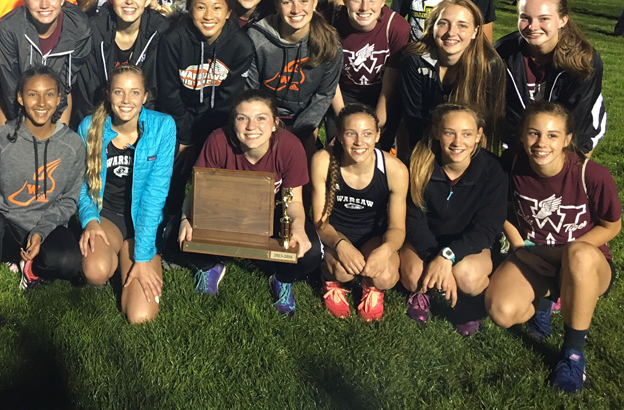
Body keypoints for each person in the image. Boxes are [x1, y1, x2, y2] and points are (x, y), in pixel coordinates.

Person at [485, 102, 621, 393]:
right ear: (521, 135)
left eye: (552, 135)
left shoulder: (592, 174)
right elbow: (504, 212)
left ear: (568, 140)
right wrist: (521, 248)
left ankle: (573, 355)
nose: (541, 143)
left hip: (587, 265)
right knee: (501, 310)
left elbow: (612, 226)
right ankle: (546, 298)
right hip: (533, 253)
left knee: (578, 255)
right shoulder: (510, 165)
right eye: (533, 133)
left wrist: (565, 254)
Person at [0, 66, 85, 341]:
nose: (41, 103)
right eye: (33, 95)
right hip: (5, 227)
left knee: (69, 262)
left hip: (45, 227)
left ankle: (32, 268)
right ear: (19, 98)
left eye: (49, 94)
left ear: (60, 98)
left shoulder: (73, 144)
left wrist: (41, 230)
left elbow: (67, 199)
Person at [177, 90, 321, 315]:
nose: (251, 126)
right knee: (172, 235)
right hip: (225, 214)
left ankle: (282, 279)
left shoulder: (290, 147)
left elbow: (293, 201)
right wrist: (186, 218)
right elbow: (198, 191)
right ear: (233, 122)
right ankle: (210, 267)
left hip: (272, 217)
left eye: (261, 118)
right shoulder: (217, 140)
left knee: (311, 252)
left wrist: (298, 227)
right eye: (242, 118)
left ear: (275, 124)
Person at [77, 65, 175, 324]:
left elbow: (155, 196)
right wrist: (90, 220)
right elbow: (80, 184)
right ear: (109, 94)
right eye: (119, 92)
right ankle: (113, 255)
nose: (126, 100)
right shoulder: (89, 126)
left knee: (139, 316)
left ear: (145, 96)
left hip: (143, 221)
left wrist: (142, 256)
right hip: (107, 216)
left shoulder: (163, 127)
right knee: (95, 272)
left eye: (134, 93)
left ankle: (129, 256)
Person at [401, 103, 507, 336]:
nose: (458, 142)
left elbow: (487, 228)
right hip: (425, 241)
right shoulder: (417, 164)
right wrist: (434, 257)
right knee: (414, 277)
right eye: (449, 133)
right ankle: (422, 293)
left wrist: (448, 256)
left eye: (467, 134)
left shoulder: (493, 171)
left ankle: (468, 303)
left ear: (479, 135)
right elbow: (412, 220)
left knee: (468, 277)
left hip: (469, 245)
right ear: (437, 132)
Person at [156, 0, 255, 208]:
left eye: (217, 8)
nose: (209, 15)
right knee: (174, 173)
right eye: (201, 7)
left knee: (215, 181)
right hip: (177, 119)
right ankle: (169, 221)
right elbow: (169, 93)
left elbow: (227, 101)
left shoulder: (240, 46)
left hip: (216, 122)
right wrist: (185, 139)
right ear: (190, 10)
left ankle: (213, 220)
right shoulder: (173, 39)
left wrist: (204, 141)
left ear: (229, 12)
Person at [311, 104, 408, 321]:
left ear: (377, 135)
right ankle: (330, 279)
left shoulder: (395, 170)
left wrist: (386, 249)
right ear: (338, 134)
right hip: (336, 234)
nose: (359, 142)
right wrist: (339, 245)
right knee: (343, 271)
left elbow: (397, 227)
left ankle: (372, 287)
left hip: (373, 237)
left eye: (367, 134)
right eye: (350, 133)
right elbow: (320, 221)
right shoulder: (322, 160)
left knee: (386, 278)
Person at [494, 0, 605, 155]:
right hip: (522, 136)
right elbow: (506, 112)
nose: (533, 26)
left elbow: (578, 121)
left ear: (563, 20)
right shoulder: (503, 54)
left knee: (562, 177)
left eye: (544, 18)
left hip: (575, 135)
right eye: (525, 18)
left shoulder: (584, 60)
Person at [398, 0, 505, 159]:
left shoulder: (488, 65)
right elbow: (412, 121)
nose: (451, 32)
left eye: (462, 25)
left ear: (475, 31)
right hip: (424, 147)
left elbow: (486, 126)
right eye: (443, 23)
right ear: (432, 26)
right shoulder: (414, 61)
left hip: (467, 149)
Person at [247, 0, 341, 148]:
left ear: (314, 3)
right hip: (262, 118)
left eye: (304, 1)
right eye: (287, 2)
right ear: (277, 4)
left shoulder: (329, 43)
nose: (296, 9)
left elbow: (324, 95)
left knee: (309, 161)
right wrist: (269, 125)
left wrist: (300, 131)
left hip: (304, 120)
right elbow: (250, 91)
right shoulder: (256, 38)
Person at [0, 0, 91, 126]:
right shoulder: (9, 27)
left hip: (58, 99)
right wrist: (22, 129)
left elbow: (66, 83)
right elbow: (10, 85)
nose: (44, 5)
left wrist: (53, 131)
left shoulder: (79, 26)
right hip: (19, 102)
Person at [75, 0, 169, 122]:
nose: (129, 1)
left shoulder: (160, 32)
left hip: (143, 123)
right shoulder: (93, 32)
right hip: (99, 121)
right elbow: (86, 95)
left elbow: (157, 91)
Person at [331, 0, 411, 150]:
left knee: (378, 150)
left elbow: (389, 87)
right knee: (340, 148)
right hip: (342, 94)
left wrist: (377, 124)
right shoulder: (331, 22)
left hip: (380, 95)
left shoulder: (396, 27)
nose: (364, 7)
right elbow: (330, 80)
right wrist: (344, 118)